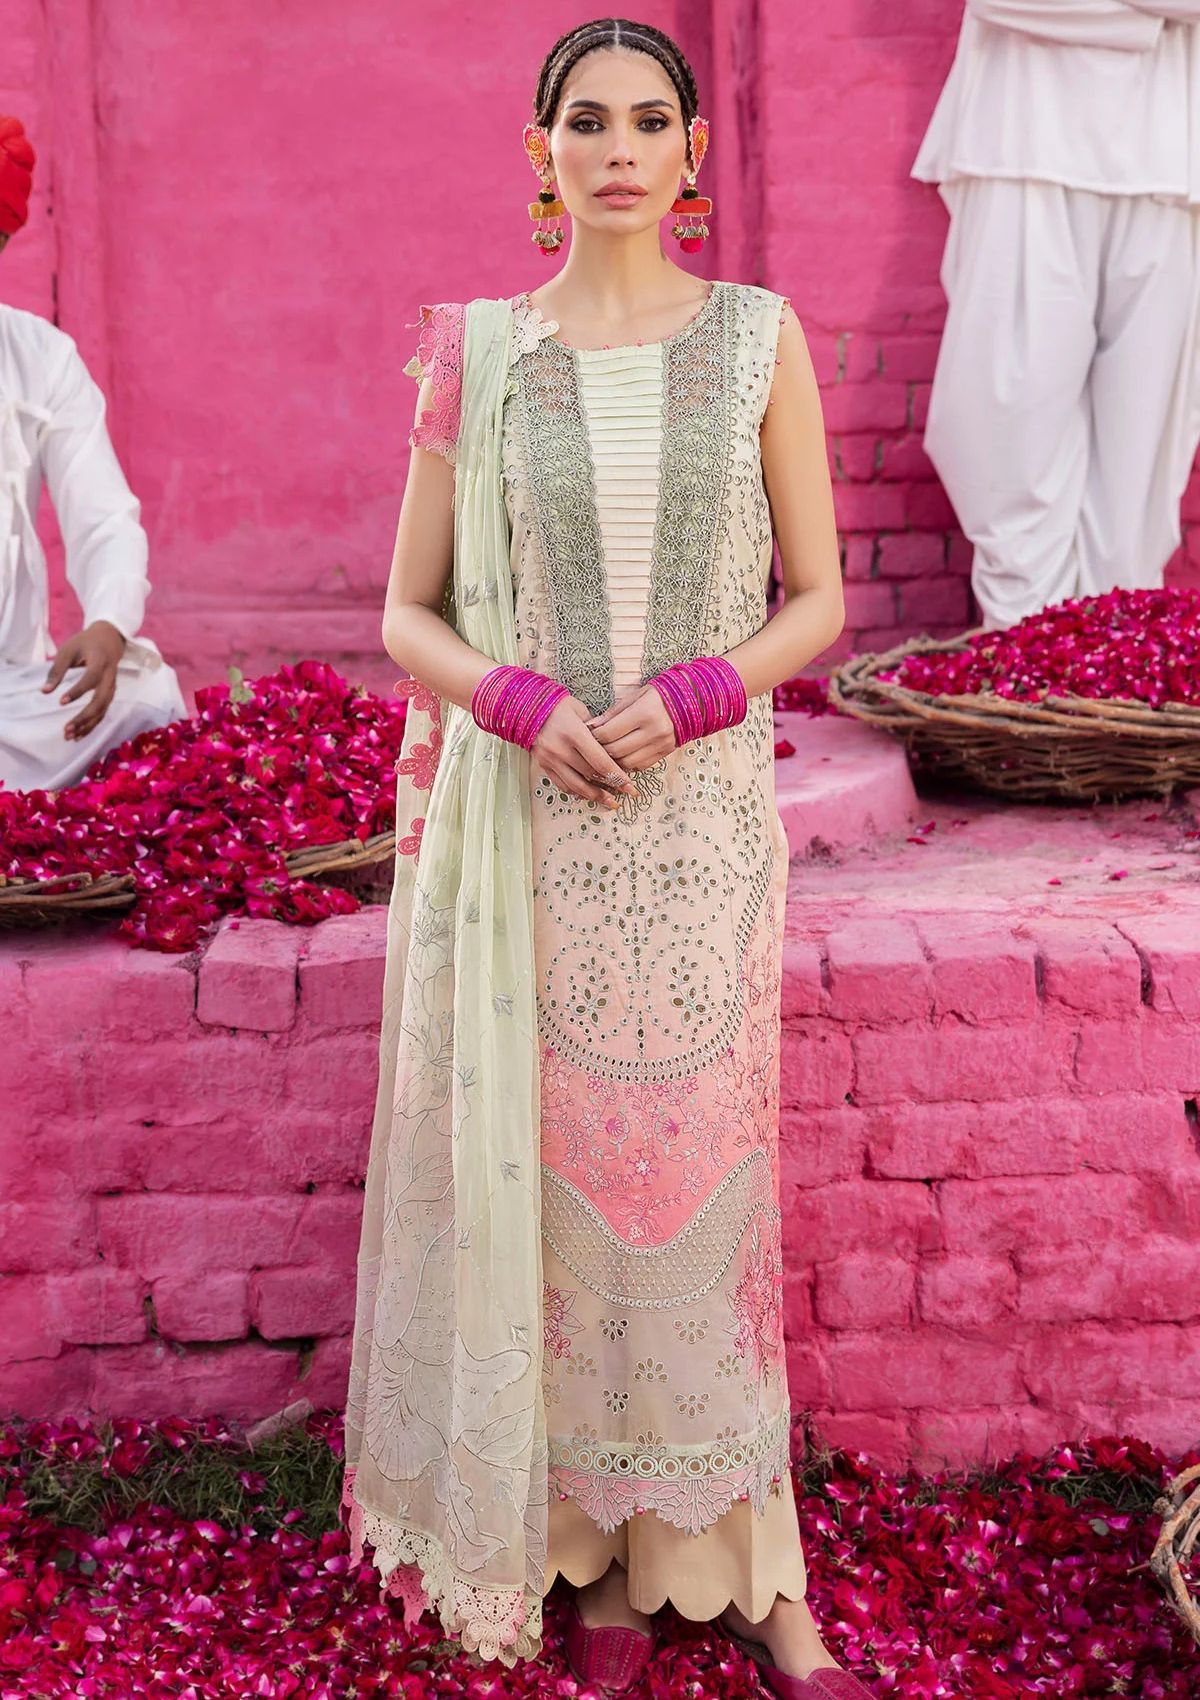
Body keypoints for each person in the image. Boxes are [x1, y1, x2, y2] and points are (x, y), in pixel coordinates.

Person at [338, 17, 861, 1699]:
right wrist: (515, 700)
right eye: (587, 122)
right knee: (558, 1215)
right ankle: (600, 1566)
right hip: (536, 841)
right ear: (540, 151)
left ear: (693, 153)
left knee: (707, 1208)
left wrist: (702, 691)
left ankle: (743, 1567)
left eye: (649, 122)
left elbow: (819, 600)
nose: (618, 149)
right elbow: (407, 612)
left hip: (701, 842)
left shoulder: (759, 337)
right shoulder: (478, 353)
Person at [913, 2, 1200, 629]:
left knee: (1140, 473)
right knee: (1004, 438)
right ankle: (1024, 653)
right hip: (1023, 143)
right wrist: (1153, 18)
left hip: (1170, 157)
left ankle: (1114, 659)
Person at [0, 114, 187, 792]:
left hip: (9, 695)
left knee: (146, 694)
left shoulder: (41, 357)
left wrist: (108, 624)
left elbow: (104, 517)